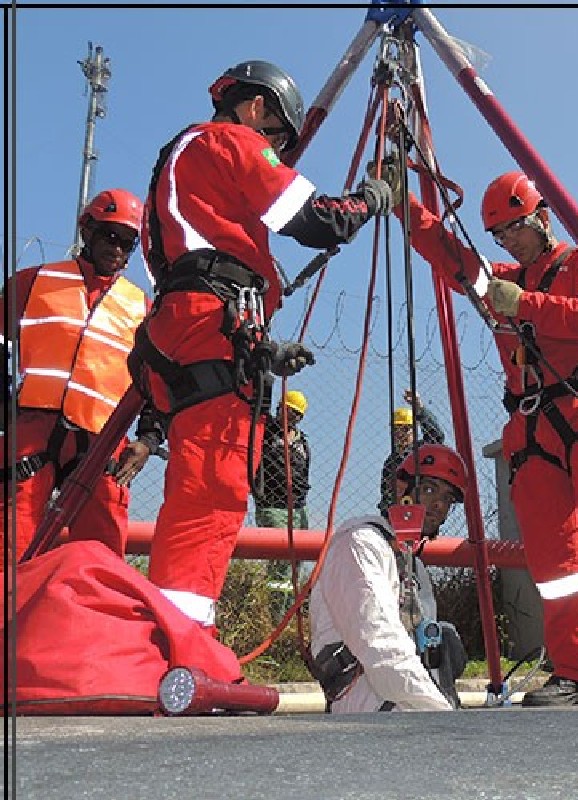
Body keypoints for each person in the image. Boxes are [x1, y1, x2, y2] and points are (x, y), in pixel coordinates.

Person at [390, 168, 578, 705]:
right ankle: (575, 672)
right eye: (500, 236)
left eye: (516, 229)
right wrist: (409, 211)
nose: (509, 242)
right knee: (554, 565)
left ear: (542, 217)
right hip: (531, 430)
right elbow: (457, 261)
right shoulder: (503, 279)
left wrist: (523, 304)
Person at [130, 59, 393, 629]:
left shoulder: (182, 165)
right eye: (274, 136)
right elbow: (318, 220)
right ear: (255, 108)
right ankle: (181, 645)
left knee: (203, 491)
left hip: (187, 326)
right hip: (211, 331)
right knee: (212, 494)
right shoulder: (228, 141)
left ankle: (182, 638)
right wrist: (371, 199)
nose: (273, 148)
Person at [1, 188, 165, 563]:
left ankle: (91, 621)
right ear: (86, 229)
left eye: (128, 241)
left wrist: (149, 439)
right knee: (9, 546)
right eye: (110, 235)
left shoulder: (142, 307)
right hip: (30, 432)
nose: (118, 248)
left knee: (102, 556)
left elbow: (158, 382)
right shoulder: (31, 283)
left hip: (104, 442)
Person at [309, 443, 468, 713]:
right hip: (364, 696)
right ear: (400, 490)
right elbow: (379, 643)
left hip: (401, 694)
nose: (439, 504)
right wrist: (440, 714)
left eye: (448, 498)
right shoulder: (360, 544)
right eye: (429, 489)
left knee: (445, 638)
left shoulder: (414, 567)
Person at [378, 388, 445, 515]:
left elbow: (436, 437)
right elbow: (386, 494)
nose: (400, 434)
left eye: (405, 429)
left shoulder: (421, 451)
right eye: (397, 429)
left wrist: (419, 408)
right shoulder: (391, 462)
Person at [256, 389, 311, 530]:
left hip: (299, 508)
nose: (291, 416)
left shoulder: (302, 442)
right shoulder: (266, 432)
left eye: (296, 413)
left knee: (300, 550)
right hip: (272, 506)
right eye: (287, 410)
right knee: (276, 550)